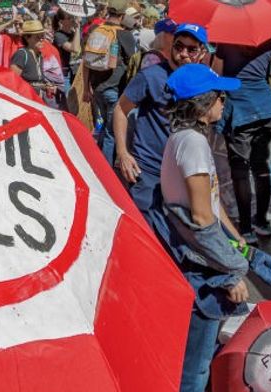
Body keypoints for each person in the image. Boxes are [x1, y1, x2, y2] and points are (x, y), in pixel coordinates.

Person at [160, 62, 271, 392]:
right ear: (204, 103)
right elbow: (200, 217)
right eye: (220, 98)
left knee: (206, 352)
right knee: (195, 365)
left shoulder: (187, 138)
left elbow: (212, 204)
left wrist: (237, 238)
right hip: (203, 265)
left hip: (205, 257)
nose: (224, 104)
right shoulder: (193, 144)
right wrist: (231, 271)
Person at [112, 23, 210, 256]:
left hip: (185, 175)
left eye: (191, 49)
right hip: (149, 172)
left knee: (180, 240)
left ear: (202, 53)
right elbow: (120, 110)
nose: (183, 53)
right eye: (179, 46)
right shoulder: (151, 76)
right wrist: (123, 153)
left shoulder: (205, 82)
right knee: (144, 240)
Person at [214, 37, 271, 243]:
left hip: (240, 109)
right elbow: (268, 73)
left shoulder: (225, 43)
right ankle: (262, 222)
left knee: (240, 172)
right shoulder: (267, 43)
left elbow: (217, 76)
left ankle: (245, 227)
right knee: (261, 167)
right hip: (265, 108)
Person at [83, 0, 137, 164]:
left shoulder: (95, 29)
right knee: (112, 132)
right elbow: (133, 60)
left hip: (97, 88)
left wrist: (86, 88)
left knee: (105, 126)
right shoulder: (125, 35)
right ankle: (105, 168)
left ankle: (97, 159)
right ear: (122, 16)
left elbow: (85, 63)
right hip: (114, 90)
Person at [10, 20, 51, 100]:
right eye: (37, 37)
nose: (41, 40)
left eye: (42, 36)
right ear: (27, 38)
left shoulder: (39, 55)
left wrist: (46, 86)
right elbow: (13, 82)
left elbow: (37, 80)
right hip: (26, 100)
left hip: (38, 100)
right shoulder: (21, 55)